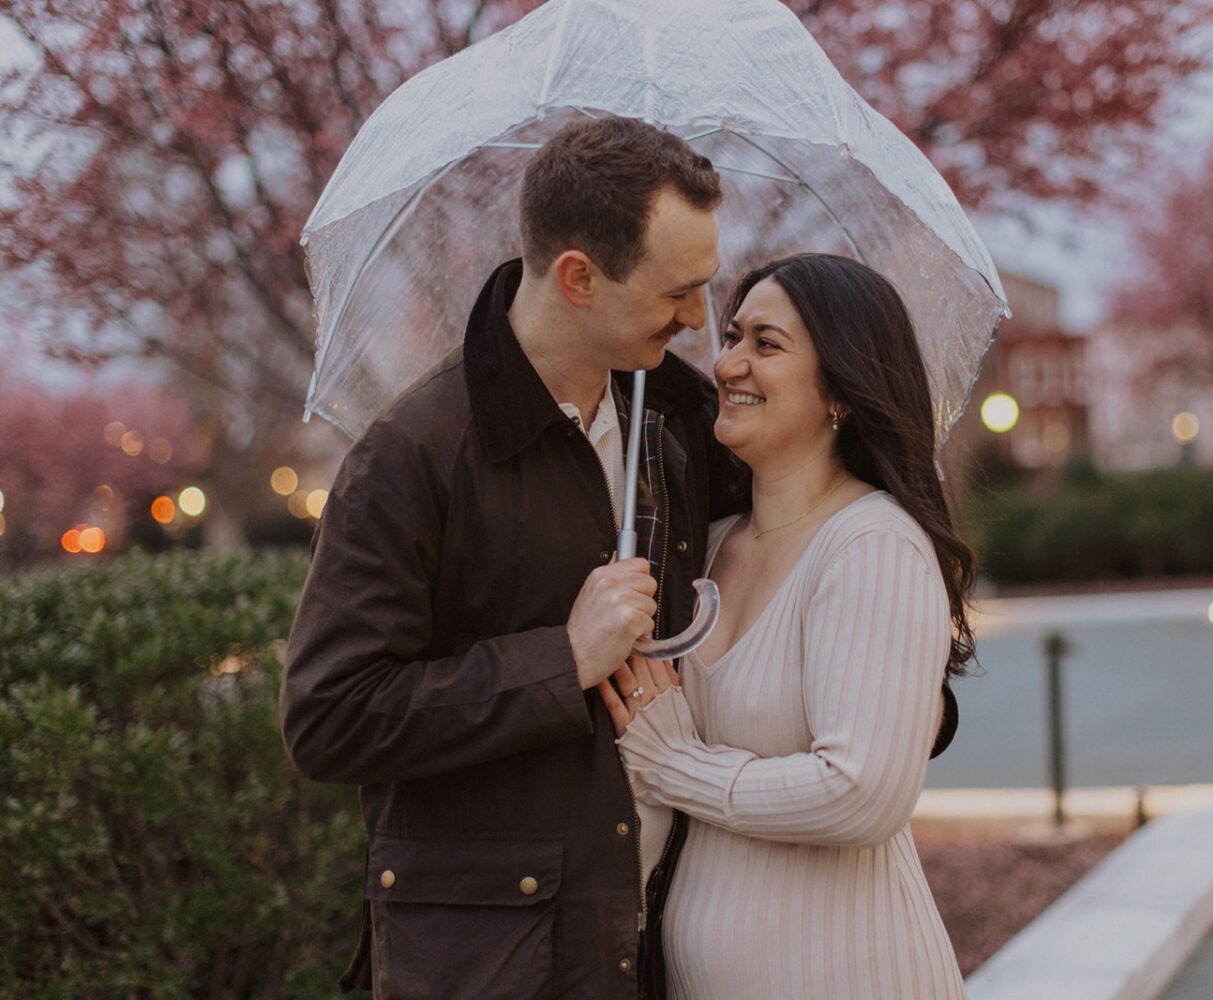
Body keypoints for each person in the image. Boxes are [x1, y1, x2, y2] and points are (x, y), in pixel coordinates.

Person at [279, 116, 746, 998]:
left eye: (704, 288)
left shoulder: (671, 422)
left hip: (654, 942)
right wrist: (559, 661)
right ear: (578, 277)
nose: (696, 319)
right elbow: (328, 718)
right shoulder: (413, 455)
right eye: (675, 292)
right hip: (495, 968)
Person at [601, 253, 977, 999]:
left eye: (765, 345)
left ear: (840, 388)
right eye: (733, 337)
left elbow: (862, 790)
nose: (728, 363)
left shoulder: (873, 544)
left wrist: (674, 766)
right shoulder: (704, 548)